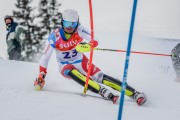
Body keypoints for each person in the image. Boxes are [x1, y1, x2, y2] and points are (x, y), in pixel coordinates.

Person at [34, 9, 146, 105]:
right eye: (67, 23)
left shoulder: (80, 30)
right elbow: (45, 57)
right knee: (70, 71)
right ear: (62, 22)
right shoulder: (54, 36)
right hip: (64, 65)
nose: (69, 27)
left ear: (76, 24)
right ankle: (102, 91)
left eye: (72, 24)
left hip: (81, 61)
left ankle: (134, 94)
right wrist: (42, 75)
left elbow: (95, 40)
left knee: (100, 77)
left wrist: (88, 45)